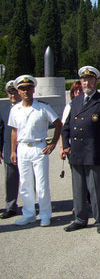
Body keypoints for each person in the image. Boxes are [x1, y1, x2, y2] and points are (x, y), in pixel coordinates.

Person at [62, 66, 100, 234]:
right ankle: (79, 219)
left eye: (90, 80)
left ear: (96, 81)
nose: (87, 83)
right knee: (78, 189)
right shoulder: (76, 101)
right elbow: (66, 126)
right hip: (77, 152)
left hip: (94, 152)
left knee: (95, 189)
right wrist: (65, 145)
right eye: (84, 80)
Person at [8, 75, 62, 227]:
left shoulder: (43, 107)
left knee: (41, 184)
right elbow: (14, 131)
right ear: (18, 91)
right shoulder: (15, 110)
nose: (26, 91)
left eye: (29, 88)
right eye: (22, 89)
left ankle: (45, 215)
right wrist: (13, 151)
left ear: (33, 89)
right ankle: (29, 214)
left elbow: (58, 124)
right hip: (23, 148)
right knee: (25, 183)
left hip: (39, 147)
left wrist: (52, 143)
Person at [0, 80, 22, 219]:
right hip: (9, 148)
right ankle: (10, 206)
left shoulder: (29, 106)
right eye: (10, 93)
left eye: (15, 92)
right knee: (10, 179)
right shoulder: (3, 109)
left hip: (26, 149)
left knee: (29, 180)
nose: (12, 95)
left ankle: (30, 205)